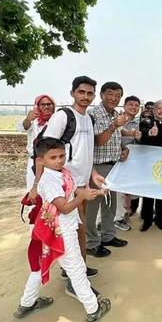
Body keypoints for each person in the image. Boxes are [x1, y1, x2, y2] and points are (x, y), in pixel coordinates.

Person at [13, 138, 111, 322]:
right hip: (60, 230)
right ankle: (93, 308)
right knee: (76, 268)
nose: (59, 160)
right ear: (41, 161)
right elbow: (64, 208)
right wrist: (82, 197)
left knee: (41, 265)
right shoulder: (49, 180)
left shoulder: (62, 172)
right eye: (53, 157)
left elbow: (73, 191)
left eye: (62, 156)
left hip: (53, 228)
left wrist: (95, 193)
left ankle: (27, 303)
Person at [39, 76, 105, 285]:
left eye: (89, 93)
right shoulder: (63, 116)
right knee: (73, 231)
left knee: (79, 230)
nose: (86, 97)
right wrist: (37, 185)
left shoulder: (89, 119)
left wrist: (93, 173)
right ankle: (75, 276)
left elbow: (87, 151)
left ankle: (77, 270)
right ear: (73, 93)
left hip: (82, 184)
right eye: (81, 92)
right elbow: (46, 149)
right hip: (67, 186)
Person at [86, 81, 130, 257]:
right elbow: (98, 141)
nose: (114, 98)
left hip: (114, 166)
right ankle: (91, 243)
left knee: (109, 205)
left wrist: (123, 149)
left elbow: (114, 140)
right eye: (110, 94)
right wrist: (114, 126)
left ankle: (108, 236)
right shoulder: (93, 114)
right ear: (102, 95)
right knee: (92, 207)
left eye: (118, 95)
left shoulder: (115, 114)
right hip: (97, 168)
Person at [139, 99, 162, 231]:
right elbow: (141, 138)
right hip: (148, 163)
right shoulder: (146, 122)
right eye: (159, 108)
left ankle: (160, 220)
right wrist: (149, 133)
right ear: (154, 110)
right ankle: (147, 220)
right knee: (148, 192)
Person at [114, 95, 142, 231]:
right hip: (116, 159)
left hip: (131, 161)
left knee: (128, 191)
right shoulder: (117, 120)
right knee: (116, 190)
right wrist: (122, 149)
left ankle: (124, 214)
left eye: (136, 106)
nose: (133, 108)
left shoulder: (139, 124)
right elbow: (113, 138)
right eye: (130, 104)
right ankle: (117, 218)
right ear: (124, 106)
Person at [19, 94, 56, 190]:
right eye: (43, 104)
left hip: (53, 162)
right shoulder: (34, 121)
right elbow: (23, 127)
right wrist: (28, 119)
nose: (46, 107)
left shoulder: (57, 120)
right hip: (35, 162)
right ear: (37, 106)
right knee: (34, 192)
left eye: (49, 104)